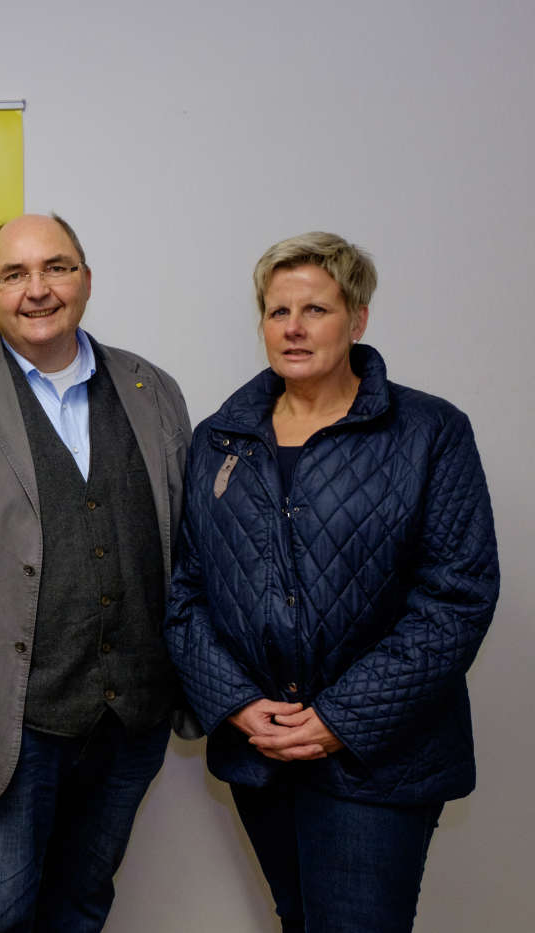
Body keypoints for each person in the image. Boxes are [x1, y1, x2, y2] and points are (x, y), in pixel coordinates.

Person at [165, 231, 499, 932]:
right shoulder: (220, 439)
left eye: (315, 309)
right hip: (261, 755)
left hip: (381, 760)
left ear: (358, 319)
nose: (293, 327)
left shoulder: (429, 431)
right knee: (298, 919)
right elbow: (186, 592)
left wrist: (339, 719)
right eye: (277, 311)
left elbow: (457, 597)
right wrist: (235, 703)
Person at [0, 213, 192, 931]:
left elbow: (185, 544)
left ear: (86, 278)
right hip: (1, 723)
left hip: (129, 719)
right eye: (14, 274)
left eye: (56, 267)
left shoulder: (152, 389)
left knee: (80, 907)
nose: (37, 289)